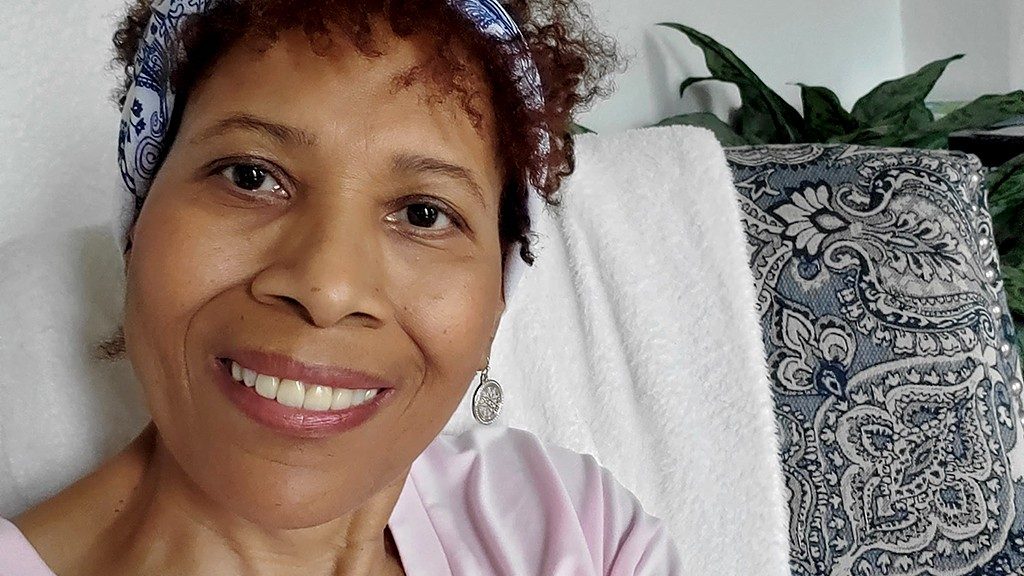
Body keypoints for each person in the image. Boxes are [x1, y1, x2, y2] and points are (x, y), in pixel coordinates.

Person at [1, 0, 681, 574]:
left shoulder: (575, 529)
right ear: (137, 228)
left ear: (498, 297)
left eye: (424, 214)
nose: (327, 288)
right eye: (250, 176)